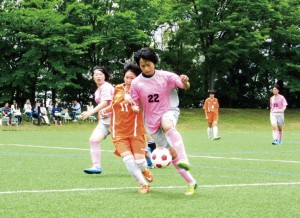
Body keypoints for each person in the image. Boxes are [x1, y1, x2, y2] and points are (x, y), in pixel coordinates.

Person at [129, 47, 197, 196]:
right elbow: (133, 102)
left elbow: (184, 86)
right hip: (151, 123)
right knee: (172, 155)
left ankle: (184, 158)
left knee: (167, 125)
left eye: (148, 64)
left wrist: (185, 82)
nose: (146, 68)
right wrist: (134, 107)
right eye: (142, 65)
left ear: (154, 62)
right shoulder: (136, 83)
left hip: (169, 111)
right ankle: (191, 183)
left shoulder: (166, 76)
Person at [100, 63, 153, 194]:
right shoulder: (118, 88)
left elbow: (147, 106)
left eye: (132, 78)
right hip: (118, 132)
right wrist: (106, 110)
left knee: (140, 162)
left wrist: (136, 106)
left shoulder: (142, 91)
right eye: (126, 77)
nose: (128, 81)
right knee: (128, 161)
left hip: (136, 131)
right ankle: (144, 185)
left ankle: (144, 168)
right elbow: (114, 104)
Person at [81, 66, 114, 174]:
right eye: (96, 74)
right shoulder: (98, 90)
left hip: (116, 121)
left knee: (124, 147)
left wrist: (90, 112)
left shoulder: (106, 87)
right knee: (93, 140)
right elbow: (102, 108)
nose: (98, 76)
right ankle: (96, 166)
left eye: (100, 74)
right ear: (93, 77)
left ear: (105, 76)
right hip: (105, 123)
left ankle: (146, 159)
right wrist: (100, 122)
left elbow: (105, 103)